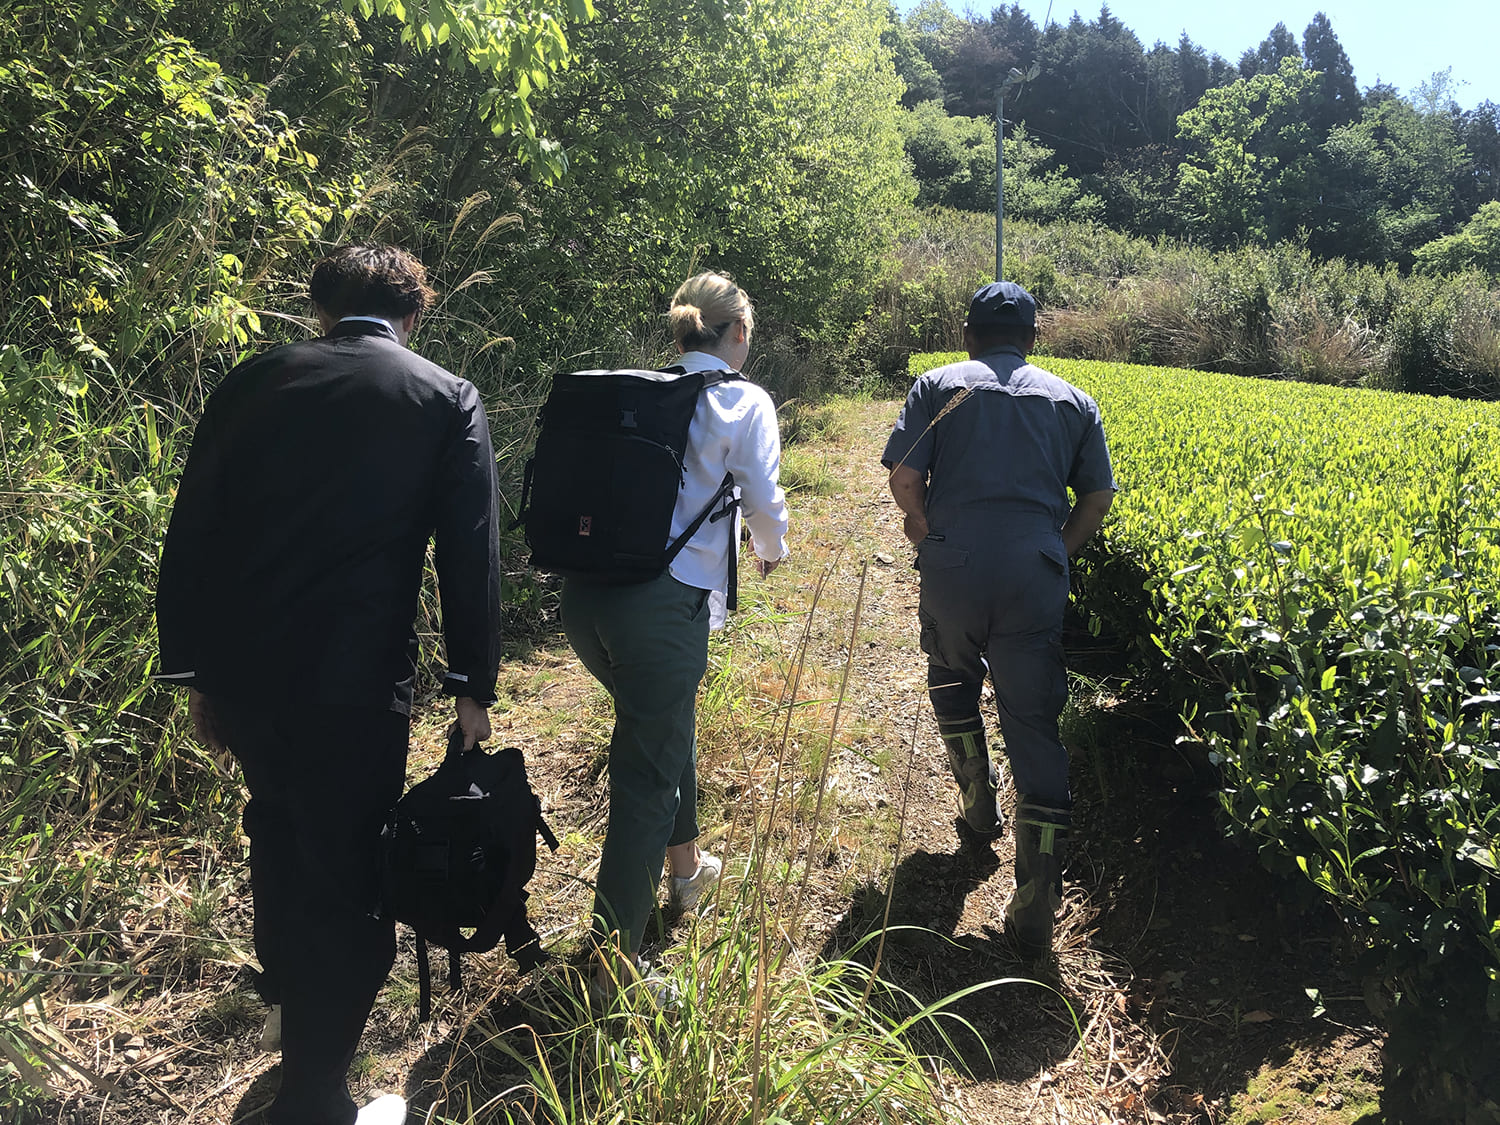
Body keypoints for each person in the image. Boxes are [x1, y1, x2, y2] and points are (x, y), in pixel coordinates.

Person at [155, 245, 503, 1125]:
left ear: (320, 309)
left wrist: (193, 670)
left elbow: (195, 526)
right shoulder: (443, 396)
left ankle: (289, 1006)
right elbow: (470, 553)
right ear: (414, 314)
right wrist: (471, 683)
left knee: (276, 827)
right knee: (352, 867)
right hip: (355, 683)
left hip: (245, 675)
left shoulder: (253, 380)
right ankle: (314, 1096)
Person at [561, 271, 789, 992]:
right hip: (661, 611)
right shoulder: (742, 400)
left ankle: (686, 870)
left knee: (662, 729)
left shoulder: (643, 390)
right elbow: (765, 503)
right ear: (739, 333)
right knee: (647, 778)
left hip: (585, 600)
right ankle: (613, 967)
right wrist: (772, 549)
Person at [881, 280, 1115, 958]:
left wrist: (923, 527)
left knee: (951, 676)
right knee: (1034, 723)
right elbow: (1096, 496)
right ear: (1033, 338)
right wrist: (1058, 549)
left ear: (967, 334)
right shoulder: (1073, 401)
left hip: (953, 563)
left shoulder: (937, 385)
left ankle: (977, 804)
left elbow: (904, 478)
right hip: (1033, 572)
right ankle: (1036, 900)